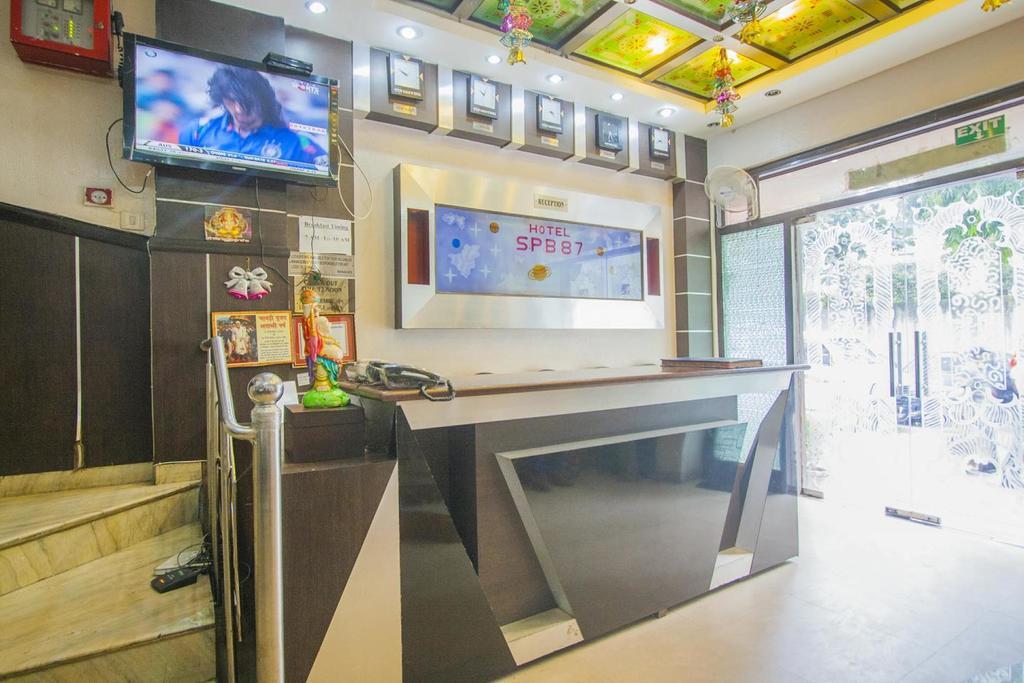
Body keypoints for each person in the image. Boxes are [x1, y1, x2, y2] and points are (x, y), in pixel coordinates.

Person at [179, 66, 327, 166]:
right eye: (231, 101)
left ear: (262, 100)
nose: (238, 109)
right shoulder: (197, 131)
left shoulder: (297, 142)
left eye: (246, 102)